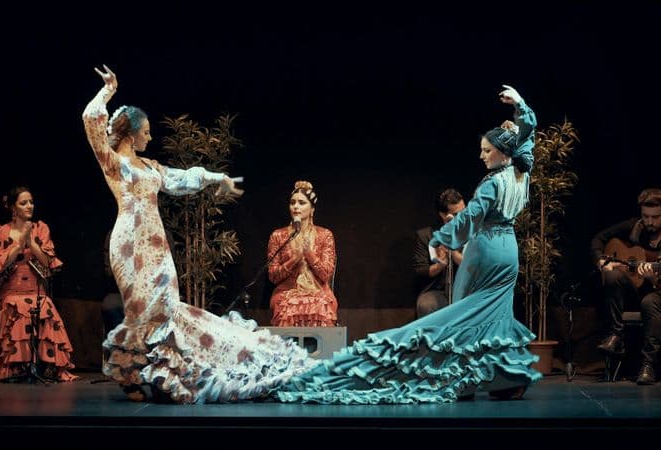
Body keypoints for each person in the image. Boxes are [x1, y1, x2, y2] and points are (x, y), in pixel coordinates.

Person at [276, 85, 541, 403]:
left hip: (485, 249)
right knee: (494, 313)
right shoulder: (521, 172)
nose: (482, 155)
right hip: (509, 251)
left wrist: (441, 238)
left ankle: (458, 372)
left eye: (487, 150)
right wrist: (521, 105)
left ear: (502, 151)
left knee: (459, 316)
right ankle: (501, 375)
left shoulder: (492, 184)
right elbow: (528, 136)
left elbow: (469, 219)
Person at [83, 65, 316, 403]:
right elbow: (91, 120)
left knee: (166, 307)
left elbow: (182, 178)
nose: (150, 137)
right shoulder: (114, 163)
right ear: (131, 134)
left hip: (156, 244)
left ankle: (165, 373)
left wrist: (215, 177)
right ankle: (133, 376)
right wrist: (108, 90)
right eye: (145, 131)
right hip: (129, 244)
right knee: (139, 311)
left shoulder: (151, 167)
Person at [592, 188, 661, 385]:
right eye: (645, 216)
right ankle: (616, 335)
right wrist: (601, 261)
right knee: (613, 274)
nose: (649, 222)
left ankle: (648, 364)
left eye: (655, 217)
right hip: (637, 289)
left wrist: (656, 280)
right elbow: (598, 239)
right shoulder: (635, 226)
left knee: (650, 301)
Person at [0, 186, 77, 383]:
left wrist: (30, 242)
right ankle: (17, 367)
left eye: (31, 202)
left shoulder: (41, 228)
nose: (29, 206)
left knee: (45, 306)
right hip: (11, 293)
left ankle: (46, 367)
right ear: (13, 208)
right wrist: (18, 244)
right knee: (18, 307)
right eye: (23, 203)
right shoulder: (0, 231)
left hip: (36, 290)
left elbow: (49, 263)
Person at [268, 180, 338, 327]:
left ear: (312, 209)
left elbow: (326, 274)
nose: (296, 207)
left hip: (318, 292)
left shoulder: (325, 235)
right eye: (293, 202)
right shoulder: (278, 235)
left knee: (321, 305)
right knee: (286, 306)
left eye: (301, 202)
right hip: (287, 292)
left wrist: (309, 254)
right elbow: (273, 276)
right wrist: (294, 259)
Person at [413, 188, 466, 318]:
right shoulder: (427, 236)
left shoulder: (471, 233)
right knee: (426, 305)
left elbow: (476, 265)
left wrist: (453, 252)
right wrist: (440, 265)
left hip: (467, 290)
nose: (463, 217)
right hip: (438, 291)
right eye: (457, 214)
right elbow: (421, 270)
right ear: (444, 215)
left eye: (465, 211)